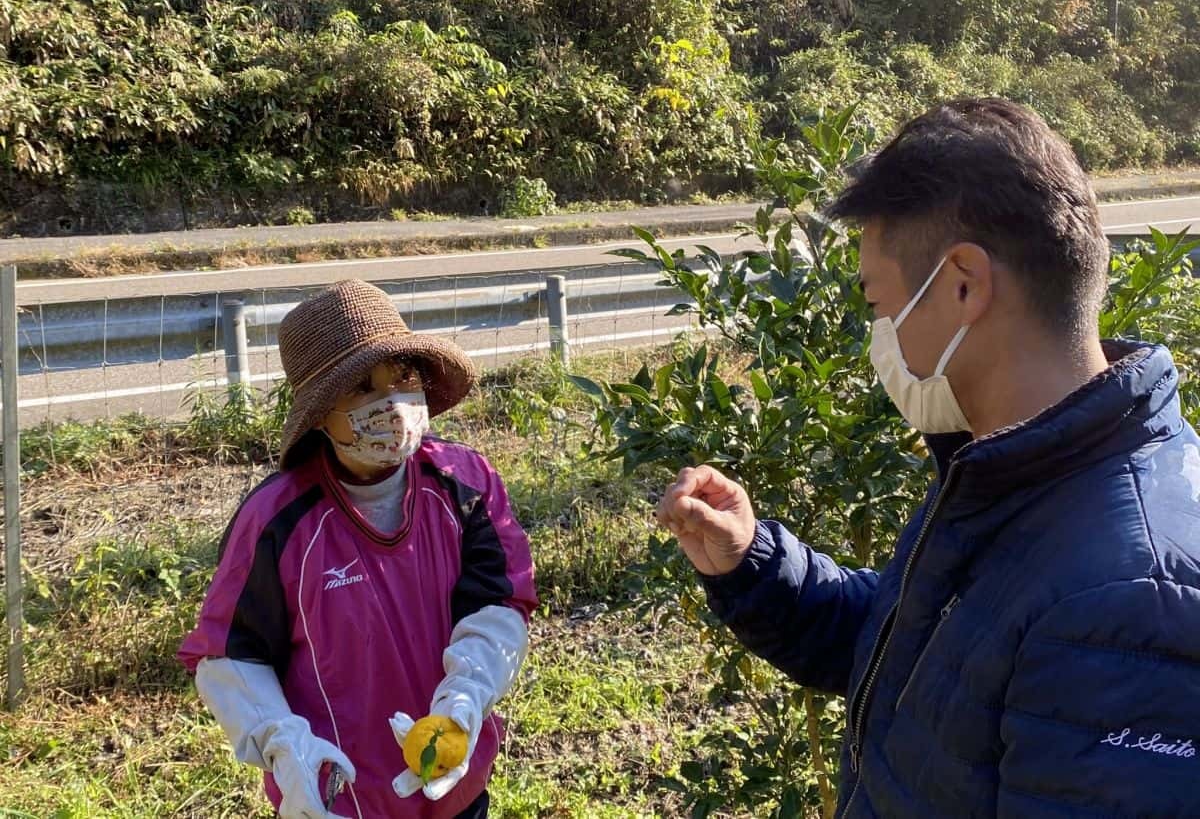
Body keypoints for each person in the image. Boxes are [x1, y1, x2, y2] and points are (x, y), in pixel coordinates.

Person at [657, 99, 1200, 817]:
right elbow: (924, 660)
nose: (882, 336)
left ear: (963, 284)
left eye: (880, 304)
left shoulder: (1132, 599)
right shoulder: (1013, 472)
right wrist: (754, 563)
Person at [179, 279, 538, 818]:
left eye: (401, 376)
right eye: (362, 387)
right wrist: (282, 744)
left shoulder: (465, 482)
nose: (391, 403)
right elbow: (233, 652)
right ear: (320, 415)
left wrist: (468, 693)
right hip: (337, 794)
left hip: (454, 776)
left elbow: (499, 602)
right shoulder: (279, 519)